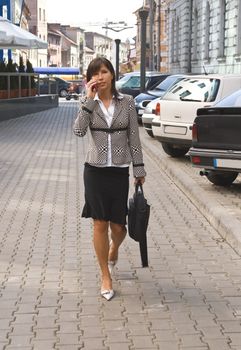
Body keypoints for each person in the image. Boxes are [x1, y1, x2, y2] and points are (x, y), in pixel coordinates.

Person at [73, 57, 146, 301]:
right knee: (99, 224)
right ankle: (105, 275)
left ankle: (114, 248)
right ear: (89, 79)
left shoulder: (127, 102)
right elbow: (79, 131)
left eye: (104, 72)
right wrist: (88, 101)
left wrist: (139, 170)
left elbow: (134, 139)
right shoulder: (87, 103)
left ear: (112, 74)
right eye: (95, 73)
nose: (100, 77)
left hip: (118, 172)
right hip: (94, 170)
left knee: (118, 226)